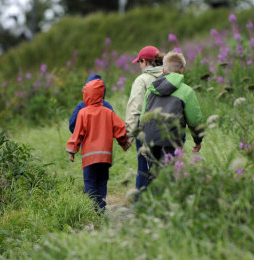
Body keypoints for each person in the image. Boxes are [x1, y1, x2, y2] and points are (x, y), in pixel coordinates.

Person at [66, 79, 130, 212]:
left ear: (86, 95)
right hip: (105, 157)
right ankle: (101, 208)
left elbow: (77, 134)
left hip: (89, 158)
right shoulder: (108, 112)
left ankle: (91, 210)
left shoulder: (83, 113)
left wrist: (72, 150)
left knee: (90, 182)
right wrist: (123, 142)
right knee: (102, 182)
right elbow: (120, 128)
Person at [140, 51, 204, 173]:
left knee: (154, 176)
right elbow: (195, 120)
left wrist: (144, 143)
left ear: (163, 70)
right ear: (181, 70)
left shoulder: (151, 89)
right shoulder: (187, 91)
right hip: (171, 139)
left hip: (151, 138)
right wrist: (198, 140)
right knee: (171, 176)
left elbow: (143, 117)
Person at [125, 45, 164, 191]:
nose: (139, 66)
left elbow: (135, 108)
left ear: (145, 62)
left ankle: (141, 207)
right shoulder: (171, 76)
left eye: (139, 62)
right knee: (167, 168)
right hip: (170, 130)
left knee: (144, 169)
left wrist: (130, 133)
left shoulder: (142, 80)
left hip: (146, 132)